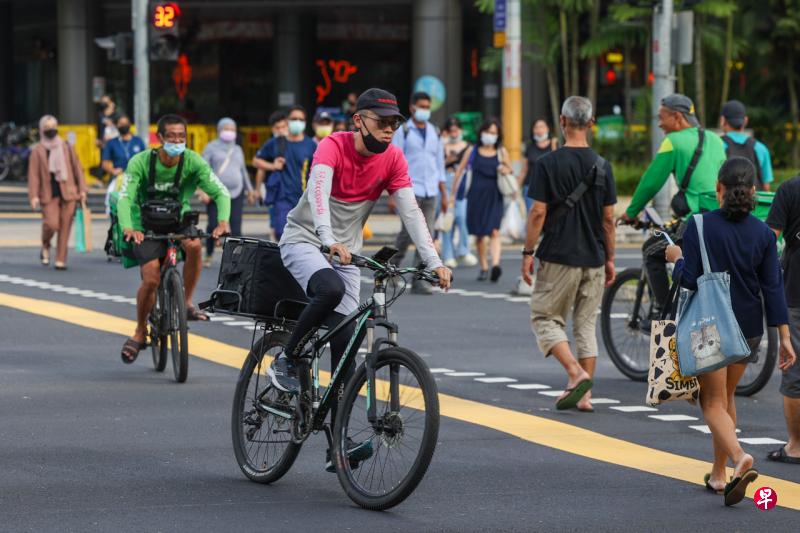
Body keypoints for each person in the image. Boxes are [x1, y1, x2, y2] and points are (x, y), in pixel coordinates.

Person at [269, 88, 451, 471]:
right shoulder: (332, 147)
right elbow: (318, 194)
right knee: (331, 290)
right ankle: (286, 359)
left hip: (346, 253)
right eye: (382, 122)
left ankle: (338, 445)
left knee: (345, 346)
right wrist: (326, 238)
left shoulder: (393, 160)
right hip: (305, 241)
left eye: (394, 124)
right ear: (358, 120)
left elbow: (412, 213)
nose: (389, 130)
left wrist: (434, 261)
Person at [665, 157, 796, 505]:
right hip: (749, 329)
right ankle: (719, 475)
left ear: (719, 189)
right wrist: (784, 337)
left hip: (709, 326)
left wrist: (674, 257)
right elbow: (773, 287)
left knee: (711, 401)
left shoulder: (699, 225)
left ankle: (739, 458)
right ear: (754, 192)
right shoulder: (763, 234)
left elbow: (689, 278)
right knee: (727, 397)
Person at [521, 96, 617, 413]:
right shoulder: (604, 166)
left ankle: (575, 374)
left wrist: (527, 252)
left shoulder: (547, 164)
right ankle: (585, 395)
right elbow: (608, 220)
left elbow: (537, 213)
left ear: (562, 121)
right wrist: (610, 259)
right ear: (591, 124)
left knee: (545, 317)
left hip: (559, 255)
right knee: (585, 327)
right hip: (593, 257)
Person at [116, 114, 231, 363]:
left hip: (177, 220)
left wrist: (223, 221)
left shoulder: (193, 161)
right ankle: (139, 331)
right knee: (151, 278)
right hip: (143, 225)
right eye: (172, 136)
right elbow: (124, 197)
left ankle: (186, 302)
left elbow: (221, 193)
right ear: (160, 138)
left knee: (194, 245)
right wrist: (128, 227)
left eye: (182, 136)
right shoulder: (140, 162)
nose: (177, 141)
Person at [619, 94, 726, 317]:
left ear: (677, 117)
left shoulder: (673, 142)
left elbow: (651, 181)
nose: (659, 123)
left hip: (695, 222)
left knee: (650, 250)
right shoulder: (716, 140)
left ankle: (663, 312)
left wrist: (630, 213)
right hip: (721, 220)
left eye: (662, 117)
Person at [388, 91, 448, 294]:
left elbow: (439, 164)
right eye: (421, 106)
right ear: (412, 107)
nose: (424, 110)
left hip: (431, 190)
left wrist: (444, 193)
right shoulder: (404, 131)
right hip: (409, 190)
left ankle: (418, 279)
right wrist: (392, 195)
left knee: (427, 235)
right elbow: (393, 162)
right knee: (406, 234)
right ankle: (391, 268)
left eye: (427, 107)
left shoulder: (435, 132)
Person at [765, 173, 800, 465]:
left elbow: (770, 239)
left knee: (795, 371)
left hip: (796, 290)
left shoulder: (790, 189)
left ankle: (796, 447)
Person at [450, 118, 511, 281]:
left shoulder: (501, 152)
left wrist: (505, 169)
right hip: (475, 196)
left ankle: (496, 265)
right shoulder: (472, 150)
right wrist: (452, 195)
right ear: (481, 132)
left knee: (494, 231)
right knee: (479, 235)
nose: (489, 135)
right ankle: (484, 266)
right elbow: (459, 171)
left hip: (494, 195)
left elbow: (509, 169)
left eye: (493, 133)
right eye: (487, 132)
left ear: (498, 135)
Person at [27, 114, 88, 270]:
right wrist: (33, 196)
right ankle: (46, 245)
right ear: (41, 129)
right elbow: (33, 175)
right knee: (52, 224)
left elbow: (77, 170)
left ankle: (61, 259)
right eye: (47, 128)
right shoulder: (38, 150)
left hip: (69, 192)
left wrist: (82, 189)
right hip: (48, 194)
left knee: (65, 226)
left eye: (53, 126)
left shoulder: (66, 146)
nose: (51, 130)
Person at [253, 105, 317, 240]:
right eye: (294, 118)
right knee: (280, 233)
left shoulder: (311, 145)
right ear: (287, 120)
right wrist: (273, 166)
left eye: (301, 119)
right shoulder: (276, 142)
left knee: (304, 236)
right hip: (281, 197)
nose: (297, 122)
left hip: (303, 198)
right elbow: (256, 161)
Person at [200, 117, 253, 266]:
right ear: (219, 130)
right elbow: (203, 170)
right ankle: (209, 254)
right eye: (226, 129)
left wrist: (250, 190)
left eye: (232, 129)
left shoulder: (237, 149)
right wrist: (204, 190)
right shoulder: (210, 147)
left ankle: (235, 259)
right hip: (215, 193)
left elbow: (243, 171)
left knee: (236, 227)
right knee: (212, 225)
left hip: (236, 192)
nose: (229, 132)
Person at [441, 117, 477, 269]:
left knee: (461, 217)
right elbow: (436, 166)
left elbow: (472, 165)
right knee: (447, 221)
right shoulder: (442, 146)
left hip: (462, 184)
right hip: (445, 183)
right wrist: (447, 160)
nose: (454, 133)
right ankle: (448, 255)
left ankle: (463, 250)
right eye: (451, 130)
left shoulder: (468, 147)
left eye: (456, 130)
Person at [720, 100, 774, 191]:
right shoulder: (760, 148)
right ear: (745, 121)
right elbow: (766, 186)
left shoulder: (718, 146)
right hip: (753, 203)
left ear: (723, 120)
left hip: (726, 203)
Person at [518, 119, 557, 211]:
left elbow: (557, 166)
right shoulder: (529, 147)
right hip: (530, 188)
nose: (539, 130)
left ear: (547, 129)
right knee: (532, 217)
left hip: (549, 188)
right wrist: (515, 187)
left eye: (542, 127)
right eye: (536, 127)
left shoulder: (554, 144)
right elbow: (524, 170)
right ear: (533, 130)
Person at [102, 114, 146, 186]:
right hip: (118, 179)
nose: (124, 126)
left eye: (125, 123)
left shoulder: (138, 141)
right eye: (121, 124)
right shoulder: (112, 143)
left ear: (129, 124)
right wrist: (113, 171)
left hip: (136, 179)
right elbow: (104, 164)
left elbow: (145, 161)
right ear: (116, 125)